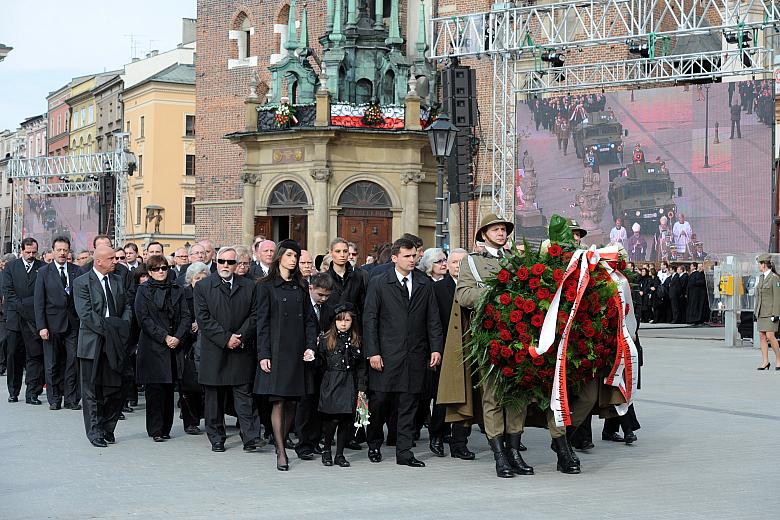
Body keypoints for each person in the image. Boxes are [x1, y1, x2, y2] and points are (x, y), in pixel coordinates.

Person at [437, 215, 538, 478]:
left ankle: (514, 451)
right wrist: (494, 292)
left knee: (517, 394)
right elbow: (463, 295)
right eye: (495, 229)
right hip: (488, 336)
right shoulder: (472, 261)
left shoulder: (516, 260)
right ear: (484, 235)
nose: (501, 233)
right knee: (492, 395)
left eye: (503, 229)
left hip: (518, 337)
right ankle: (499, 456)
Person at [363, 237, 443, 468]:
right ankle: (374, 443)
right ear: (395, 257)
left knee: (409, 403)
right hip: (386, 355)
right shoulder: (379, 282)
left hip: (414, 355)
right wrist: (373, 352)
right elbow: (370, 319)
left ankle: (404, 452)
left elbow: (433, 319)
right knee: (380, 403)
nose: (412, 260)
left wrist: (435, 348)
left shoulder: (423, 282)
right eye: (407, 256)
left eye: (414, 256)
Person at [255, 239, 318, 471]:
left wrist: (311, 346)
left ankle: (282, 438)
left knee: (292, 401)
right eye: (290, 255)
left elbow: (310, 320)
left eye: (296, 255)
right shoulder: (265, 286)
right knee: (279, 401)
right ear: (280, 256)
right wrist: (264, 354)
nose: (294, 259)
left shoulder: (301, 286)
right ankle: (281, 450)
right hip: (276, 350)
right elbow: (261, 323)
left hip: (298, 351)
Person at [194, 246, 263, 453]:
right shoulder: (204, 286)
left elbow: (255, 314)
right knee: (214, 398)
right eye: (222, 261)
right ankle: (216, 437)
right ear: (216, 262)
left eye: (231, 262)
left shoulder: (249, 286)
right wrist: (226, 339)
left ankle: (251, 437)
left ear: (237, 265)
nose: (226, 265)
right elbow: (204, 319)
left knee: (245, 396)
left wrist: (239, 337)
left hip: (241, 348)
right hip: (215, 350)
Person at [73, 245, 132, 447]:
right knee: (92, 390)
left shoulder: (117, 280)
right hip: (93, 342)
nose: (115, 261)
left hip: (116, 341)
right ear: (98, 261)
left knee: (117, 387)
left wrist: (122, 327)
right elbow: (86, 314)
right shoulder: (81, 282)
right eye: (111, 258)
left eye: (116, 258)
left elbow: (127, 307)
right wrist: (109, 330)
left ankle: (108, 427)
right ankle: (95, 431)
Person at [134, 255, 190, 442]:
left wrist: (177, 337)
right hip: (153, 346)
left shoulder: (177, 289)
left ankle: (166, 428)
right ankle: (156, 429)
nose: (161, 272)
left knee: (169, 389)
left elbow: (185, 316)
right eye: (156, 269)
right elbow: (144, 319)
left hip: (174, 346)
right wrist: (164, 337)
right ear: (149, 272)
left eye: (164, 268)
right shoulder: (143, 290)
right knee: (155, 389)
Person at [427, 247, 469, 459]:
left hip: (468, 349)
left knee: (465, 399)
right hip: (444, 349)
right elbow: (433, 321)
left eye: (463, 263)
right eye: (454, 263)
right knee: (442, 397)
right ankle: (437, 434)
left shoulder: (474, 288)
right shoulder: (437, 288)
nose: (458, 267)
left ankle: (460, 442)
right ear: (448, 265)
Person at [34, 236, 82, 410]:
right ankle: (54, 399)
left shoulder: (77, 271)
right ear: (53, 251)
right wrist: (42, 326)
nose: (62, 253)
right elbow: (39, 302)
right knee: (52, 363)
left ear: (69, 251)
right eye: (59, 250)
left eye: (65, 250)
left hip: (72, 324)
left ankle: (71, 399)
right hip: (51, 324)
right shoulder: (44, 273)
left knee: (72, 362)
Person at [317, 303, 366, 467]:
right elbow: (321, 362)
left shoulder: (356, 340)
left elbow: (360, 367)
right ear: (334, 321)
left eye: (347, 320)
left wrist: (361, 388)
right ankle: (326, 451)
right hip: (331, 382)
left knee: (346, 420)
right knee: (332, 420)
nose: (343, 324)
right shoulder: (326, 339)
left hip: (349, 383)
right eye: (340, 320)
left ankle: (339, 454)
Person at [3, 237, 45, 404]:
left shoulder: (42, 267)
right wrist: (23, 305)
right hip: (15, 319)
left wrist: (30, 306)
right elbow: (7, 291)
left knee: (34, 356)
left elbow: (42, 292)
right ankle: (13, 391)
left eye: (34, 252)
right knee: (13, 355)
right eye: (28, 252)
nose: (31, 255)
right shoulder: (11, 267)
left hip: (34, 320)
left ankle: (32, 393)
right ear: (21, 251)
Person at [180, 262, 210, 434]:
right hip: (188, 344)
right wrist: (190, 324)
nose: (199, 282)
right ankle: (190, 421)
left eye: (202, 278)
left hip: (206, 342)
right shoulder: (184, 295)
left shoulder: (211, 293)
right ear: (190, 279)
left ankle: (208, 417)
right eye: (196, 278)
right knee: (189, 385)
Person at [754, 254, 780, 370]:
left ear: (764, 264)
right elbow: (758, 296)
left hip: (770, 312)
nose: (758, 266)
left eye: (759, 264)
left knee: (770, 336)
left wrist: (776, 314)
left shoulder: (774, 278)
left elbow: (777, 297)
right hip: (761, 312)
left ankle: (779, 360)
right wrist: (756, 312)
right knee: (762, 336)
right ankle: (765, 362)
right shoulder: (761, 278)